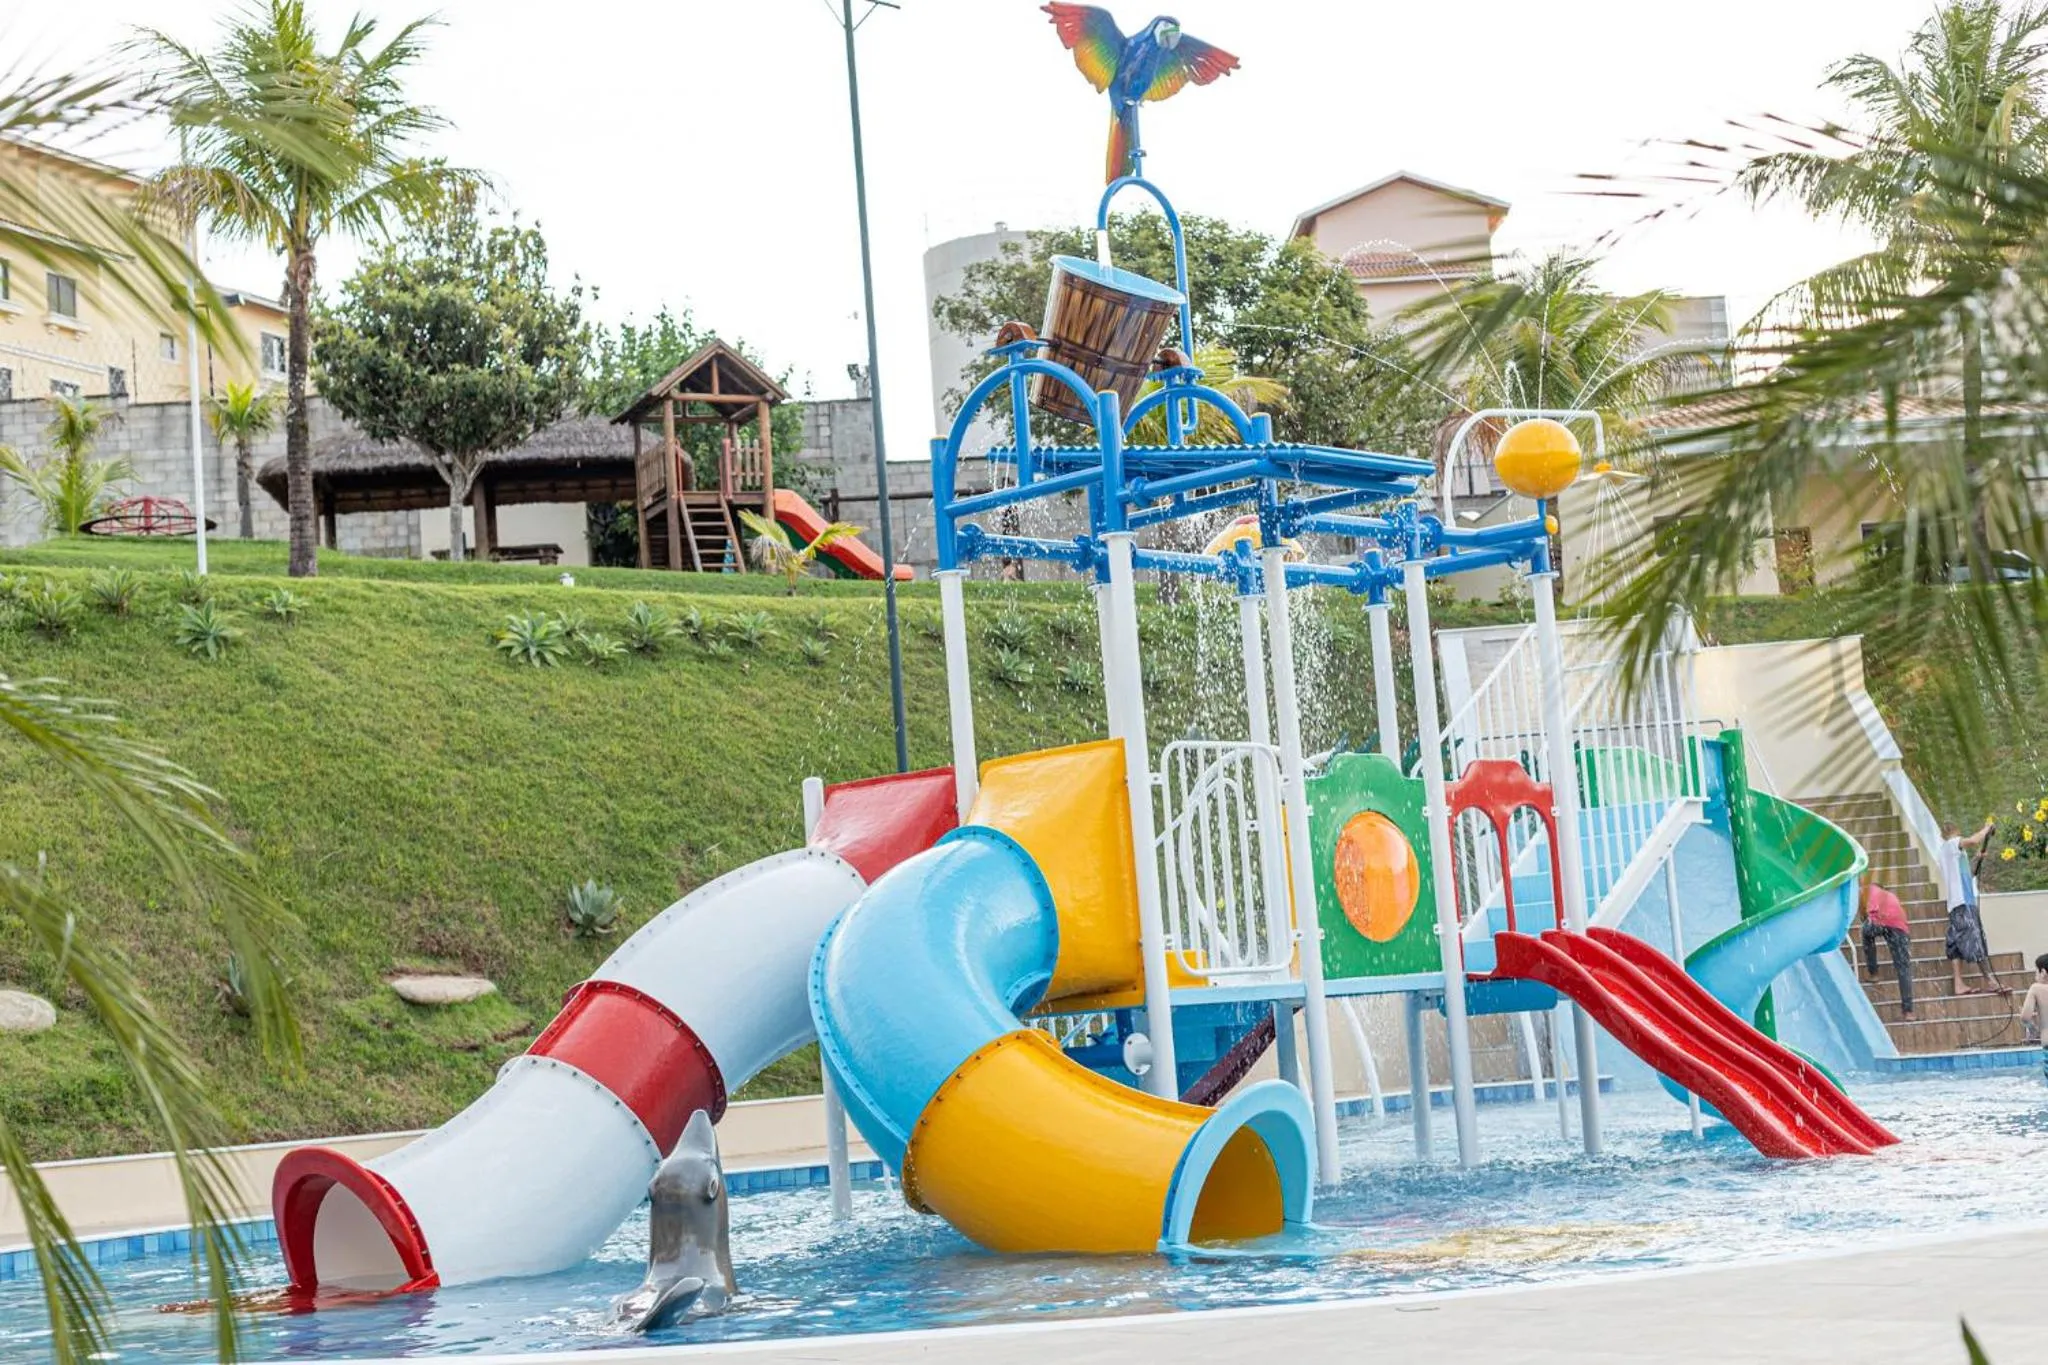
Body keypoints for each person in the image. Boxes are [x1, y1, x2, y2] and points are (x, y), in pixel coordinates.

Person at [1939, 819, 2009, 997]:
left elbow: (1969, 874)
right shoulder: (1950, 845)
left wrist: (1977, 858)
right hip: (1962, 904)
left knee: (1955, 943)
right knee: (1975, 938)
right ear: (1954, 831)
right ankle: (1990, 981)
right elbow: (1973, 840)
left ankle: (1958, 984)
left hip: (1959, 903)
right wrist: (1986, 829)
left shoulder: (1953, 854)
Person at [1860, 877, 1914, 1018]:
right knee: (1903, 968)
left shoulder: (1867, 891)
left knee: (1866, 934)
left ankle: (1874, 973)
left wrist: (1867, 923)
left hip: (1878, 920)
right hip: (1899, 924)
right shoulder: (1891, 896)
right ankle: (1908, 1011)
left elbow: (1864, 915)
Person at [2021, 954, 2048, 1083]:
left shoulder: (2036, 988)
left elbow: (2025, 1017)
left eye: (2036, 970)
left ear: (2043, 972)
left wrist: (2033, 1030)